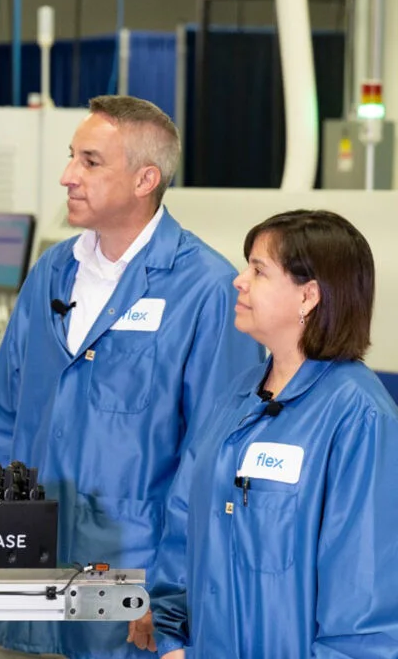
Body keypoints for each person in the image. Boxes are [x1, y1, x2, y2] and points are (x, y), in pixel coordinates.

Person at [0, 95, 262, 659]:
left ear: (144, 179)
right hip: (21, 579)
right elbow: (2, 415)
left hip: (128, 591)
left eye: (90, 161)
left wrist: (172, 594)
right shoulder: (52, 272)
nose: (67, 176)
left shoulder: (204, 291)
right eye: (71, 157)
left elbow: (211, 461)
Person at [150, 210, 398, 657]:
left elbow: (364, 605)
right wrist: (173, 639)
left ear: (309, 296)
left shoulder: (359, 416)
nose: (239, 281)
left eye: (259, 270)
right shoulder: (238, 394)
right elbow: (185, 522)